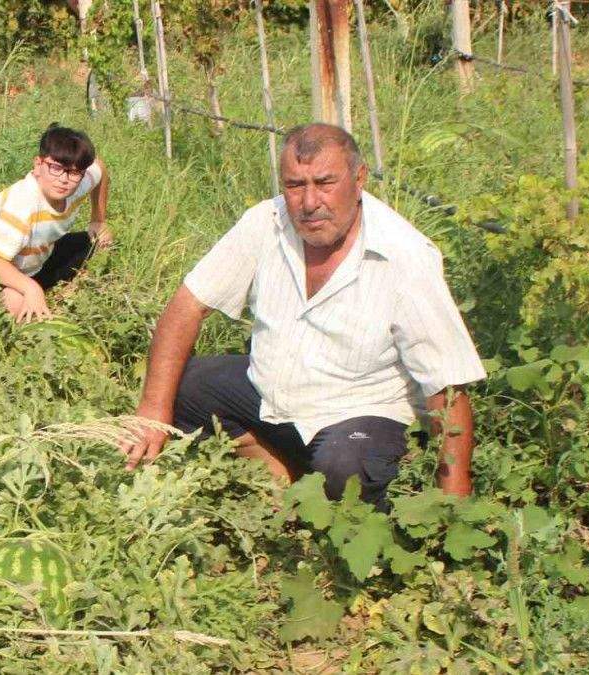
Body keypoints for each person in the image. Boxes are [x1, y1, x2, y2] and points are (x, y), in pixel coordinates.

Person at [120, 123, 486, 511]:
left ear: (359, 178)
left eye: (325, 183)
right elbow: (187, 307)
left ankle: (340, 490)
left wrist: (454, 507)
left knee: (345, 466)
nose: (309, 202)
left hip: (356, 413)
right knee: (179, 385)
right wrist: (152, 411)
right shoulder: (266, 223)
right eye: (295, 186)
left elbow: (447, 385)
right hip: (272, 394)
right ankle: (279, 475)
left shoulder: (404, 255)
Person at [0, 123, 111, 322]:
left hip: (33, 263)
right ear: (38, 165)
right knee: (16, 302)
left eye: (73, 172)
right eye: (55, 168)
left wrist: (98, 220)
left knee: (100, 241)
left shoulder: (77, 184)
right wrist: (31, 289)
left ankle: (60, 290)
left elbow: (100, 168)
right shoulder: (23, 203)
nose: (63, 179)